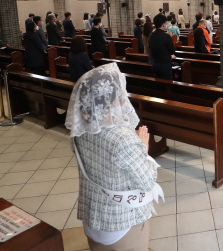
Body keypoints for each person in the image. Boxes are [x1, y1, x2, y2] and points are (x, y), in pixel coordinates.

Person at [65, 64, 162, 251]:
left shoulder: (81, 131)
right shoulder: (124, 139)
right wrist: (144, 148)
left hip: (93, 216)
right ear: (116, 100)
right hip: (122, 222)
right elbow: (148, 181)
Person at [147, 14, 176, 80]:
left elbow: (150, 48)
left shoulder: (151, 35)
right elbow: (172, 51)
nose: (166, 25)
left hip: (154, 63)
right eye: (166, 23)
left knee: (158, 86)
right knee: (167, 85)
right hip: (164, 65)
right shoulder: (166, 36)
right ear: (163, 25)